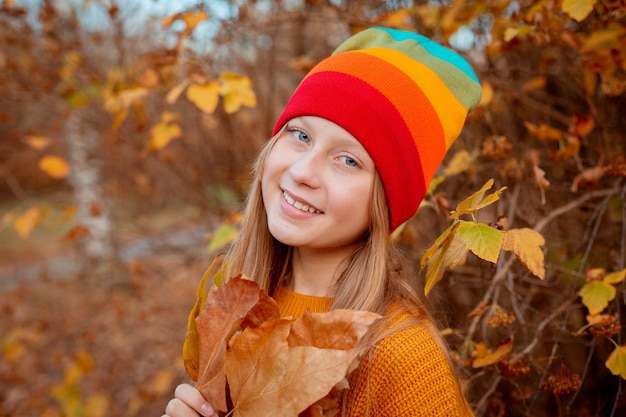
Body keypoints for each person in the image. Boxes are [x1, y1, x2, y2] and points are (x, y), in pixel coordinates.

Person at [162, 26, 482, 417]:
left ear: (386, 203)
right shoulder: (238, 309)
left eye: (348, 160)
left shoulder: (401, 357)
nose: (302, 171)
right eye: (300, 135)